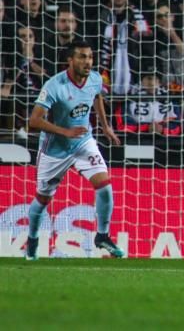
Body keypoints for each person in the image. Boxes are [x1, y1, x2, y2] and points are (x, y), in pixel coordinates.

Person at [23, 39, 124, 260]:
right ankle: (32, 239)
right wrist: (64, 131)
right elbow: (34, 121)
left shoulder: (95, 78)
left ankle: (102, 235)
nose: (87, 62)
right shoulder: (54, 86)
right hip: (55, 149)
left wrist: (106, 127)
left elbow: (96, 96)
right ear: (70, 60)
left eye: (90, 57)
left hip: (83, 141)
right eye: (82, 57)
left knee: (104, 185)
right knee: (42, 200)